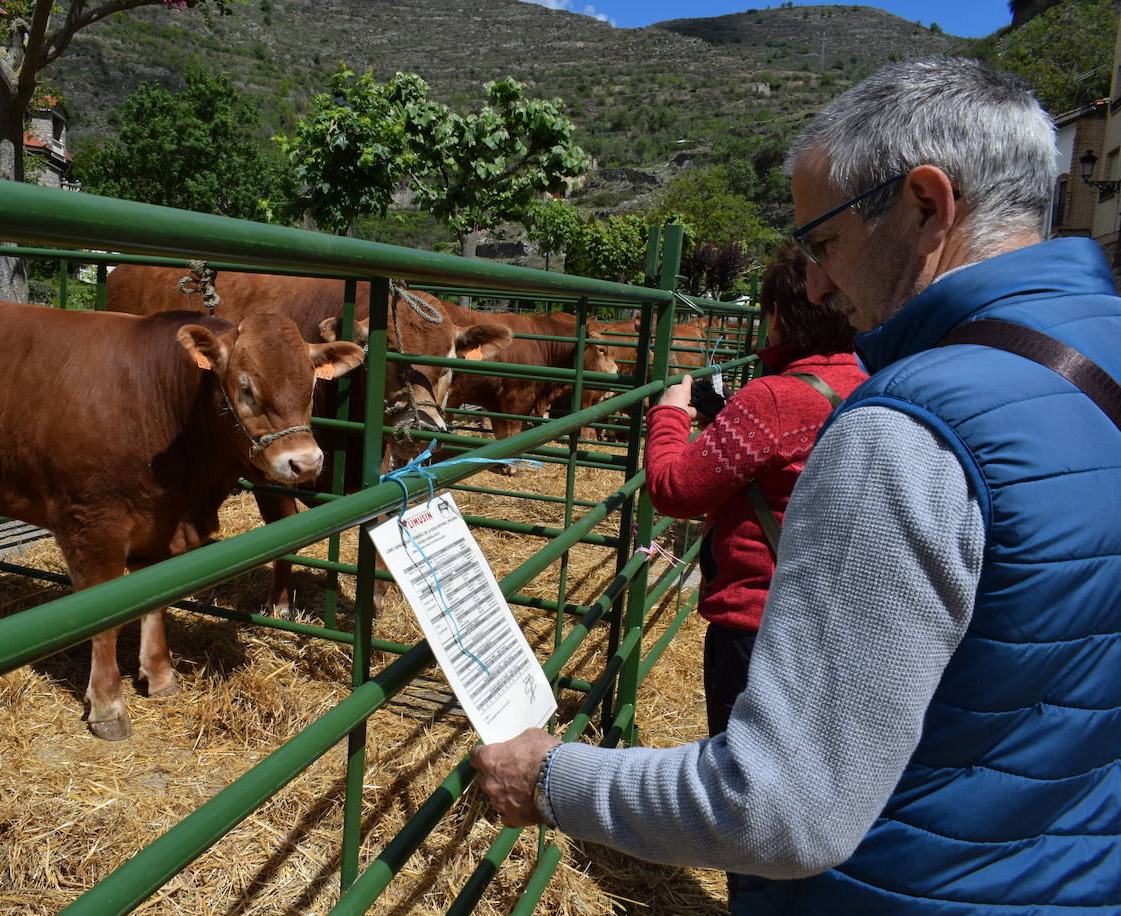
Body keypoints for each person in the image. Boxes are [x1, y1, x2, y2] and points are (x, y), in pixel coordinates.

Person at [470, 56, 1121, 913]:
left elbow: (778, 808)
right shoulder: (1098, 354)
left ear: (926, 206)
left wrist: (550, 778)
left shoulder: (910, 429)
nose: (815, 281)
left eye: (825, 242)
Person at [648, 247, 865, 737]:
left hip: (757, 621)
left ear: (781, 315)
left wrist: (670, 415)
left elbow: (675, 490)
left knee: (738, 774)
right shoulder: (863, 379)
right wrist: (724, 421)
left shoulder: (774, 396)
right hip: (825, 618)